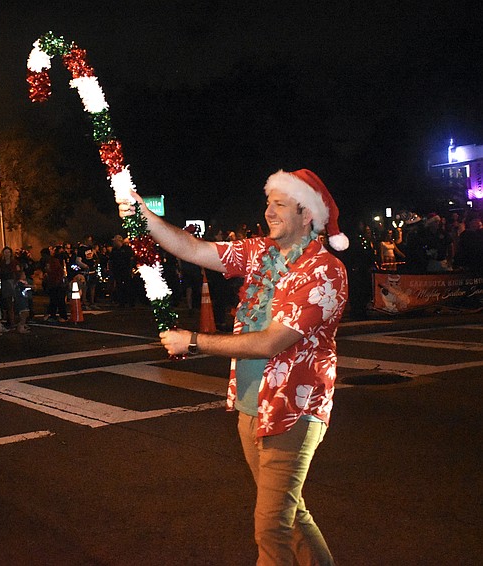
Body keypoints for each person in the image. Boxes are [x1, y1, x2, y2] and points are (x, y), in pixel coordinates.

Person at [120, 168, 348, 565]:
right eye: (268, 202)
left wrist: (194, 341)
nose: (268, 211)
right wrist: (146, 217)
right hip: (250, 406)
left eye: (279, 204)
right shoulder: (261, 252)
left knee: (270, 526)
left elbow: (271, 341)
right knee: (291, 517)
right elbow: (194, 249)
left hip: (293, 411)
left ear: (307, 213)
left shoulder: (325, 271)